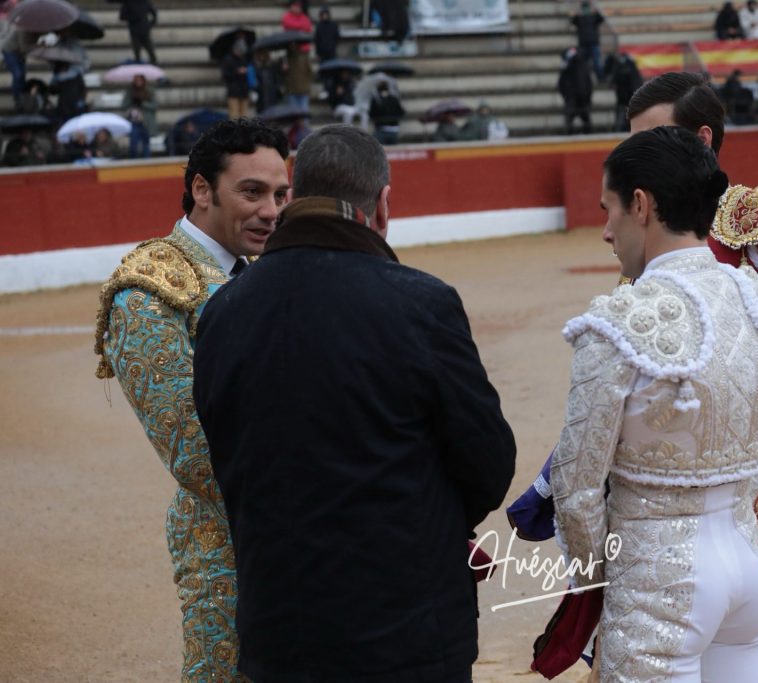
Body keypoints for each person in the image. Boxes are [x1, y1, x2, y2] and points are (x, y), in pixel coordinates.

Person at [510, 71, 758, 683]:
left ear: (702, 140)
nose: (638, 161)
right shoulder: (653, 250)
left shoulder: (752, 217)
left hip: (704, 505)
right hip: (715, 510)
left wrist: (757, 415)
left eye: (653, 141)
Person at [192, 124, 517, 682]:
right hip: (404, 627)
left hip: (278, 626)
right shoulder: (421, 303)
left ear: (293, 198)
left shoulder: (223, 310)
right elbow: (488, 466)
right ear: (382, 206)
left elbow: (224, 453)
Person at [552, 124, 758, 681]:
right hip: (747, 565)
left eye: (610, 209)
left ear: (641, 205)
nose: (605, 230)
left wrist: (594, 584)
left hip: (655, 579)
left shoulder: (616, 323)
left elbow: (577, 493)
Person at [93, 118, 290, 683]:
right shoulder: (150, 287)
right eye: (251, 192)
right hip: (227, 541)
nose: (271, 211)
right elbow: (193, 449)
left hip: (297, 531)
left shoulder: (261, 274)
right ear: (202, 189)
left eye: (280, 194)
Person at [604, 50, 643, 132]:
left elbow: (612, 82)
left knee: (622, 118)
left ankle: (618, 131)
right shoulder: (631, 67)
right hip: (629, 99)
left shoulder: (619, 67)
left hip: (625, 99)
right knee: (626, 117)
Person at [558, 47, 594, 134]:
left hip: (575, 98)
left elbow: (560, 84)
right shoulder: (582, 66)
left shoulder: (566, 67)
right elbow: (589, 83)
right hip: (579, 97)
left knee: (574, 121)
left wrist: (566, 96)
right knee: (584, 121)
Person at [123, 73, 157, 158]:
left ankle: (147, 163)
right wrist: (132, 101)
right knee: (133, 145)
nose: (138, 82)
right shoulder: (130, 91)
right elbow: (124, 105)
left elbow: (155, 105)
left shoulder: (149, 91)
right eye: (136, 80)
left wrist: (143, 103)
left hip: (145, 122)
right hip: (134, 121)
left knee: (146, 145)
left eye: (139, 80)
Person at [570, 0, 605, 80]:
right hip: (583, 44)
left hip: (593, 43)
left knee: (597, 63)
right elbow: (573, 21)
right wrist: (576, 14)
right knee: (583, 63)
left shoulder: (594, 16)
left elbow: (601, 19)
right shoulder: (579, 18)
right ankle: (584, 79)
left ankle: (601, 79)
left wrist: (596, 12)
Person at [120, 0, 158, 64]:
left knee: (151, 52)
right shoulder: (129, 3)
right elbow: (122, 16)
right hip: (134, 32)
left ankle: (153, 67)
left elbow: (154, 13)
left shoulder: (145, 2)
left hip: (145, 31)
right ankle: (138, 67)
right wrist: (133, 18)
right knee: (137, 54)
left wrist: (150, 24)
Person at [221, 38, 251, 119]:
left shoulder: (243, 59)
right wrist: (237, 72)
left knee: (244, 115)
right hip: (233, 91)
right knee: (234, 116)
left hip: (244, 90)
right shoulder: (227, 60)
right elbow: (225, 76)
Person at [369, 79, 404, 144]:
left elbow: (371, 114)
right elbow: (401, 112)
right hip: (394, 129)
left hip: (381, 129)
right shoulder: (394, 99)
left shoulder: (376, 100)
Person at [281, 40, 313, 111]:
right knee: (296, 114)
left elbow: (310, 72)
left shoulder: (304, 56)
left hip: (302, 90)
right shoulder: (285, 58)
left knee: (302, 113)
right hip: (292, 90)